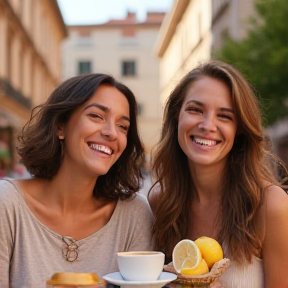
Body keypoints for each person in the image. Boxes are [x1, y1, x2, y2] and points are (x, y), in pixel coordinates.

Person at [0, 74, 154, 288]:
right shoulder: (6, 204)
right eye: (96, 116)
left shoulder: (134, 215)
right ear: (60, 126)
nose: (111, 133)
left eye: (122, 126)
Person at [148, 60, 288, 288]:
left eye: (224, 116)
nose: (207, 125)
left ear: (239, 129)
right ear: (177, 115)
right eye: (195, 110)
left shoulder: (270, 205)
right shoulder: (160, 203)